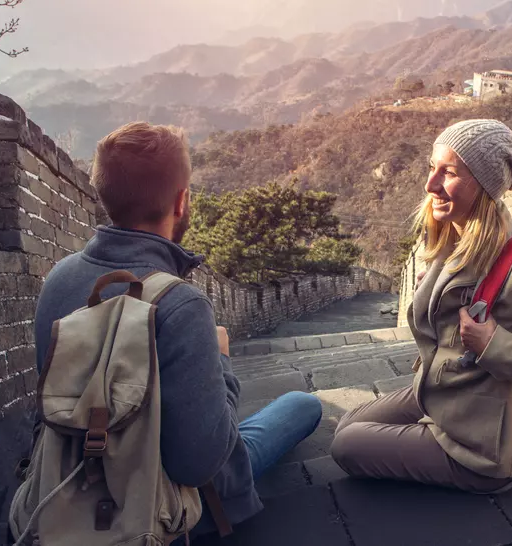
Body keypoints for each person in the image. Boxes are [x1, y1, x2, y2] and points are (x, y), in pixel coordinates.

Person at [32, 122, 322, 537]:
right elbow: (199, 464)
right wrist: (221, 361)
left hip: (69, 487)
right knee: (301, 404)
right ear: (182, 201)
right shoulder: (179, 305)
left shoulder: (58, 278)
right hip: (163, 508)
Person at [330, 119, 512, 493]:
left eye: (449, 173)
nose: (430, 185)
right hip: (448, 393)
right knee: (347, 424)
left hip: (487, 447)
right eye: (431, 168)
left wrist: (494, 346)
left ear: (485, 186)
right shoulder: (451, 243)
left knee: (346, 446)